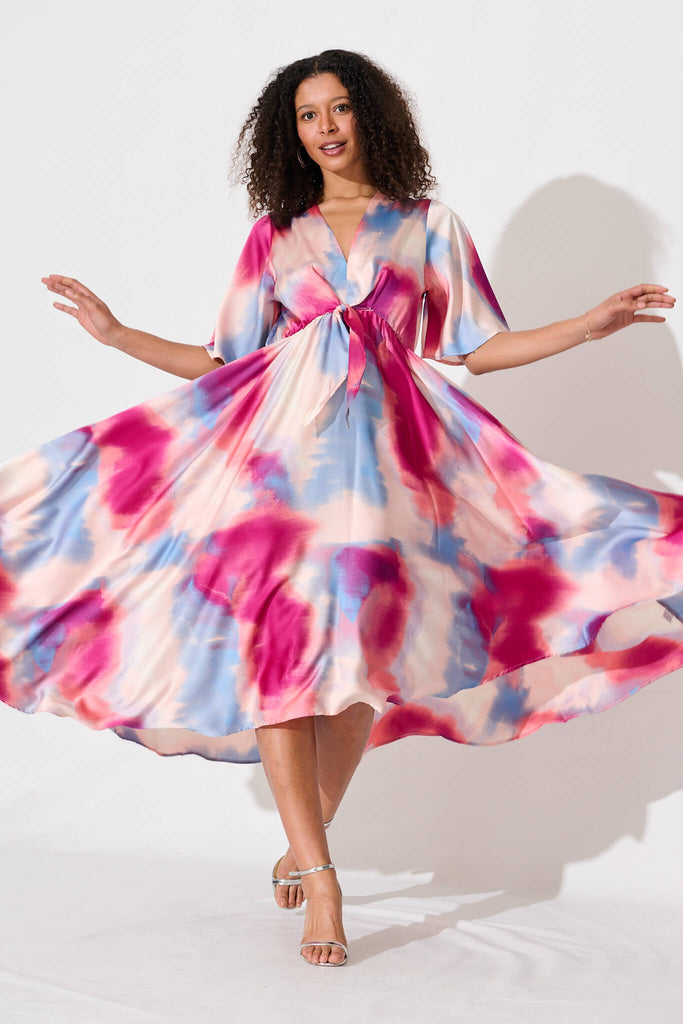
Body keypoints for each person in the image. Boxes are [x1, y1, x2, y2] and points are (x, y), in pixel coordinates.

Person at [1, 49, 682, 968]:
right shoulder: (274, 235)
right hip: (280, 483)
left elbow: (475, 348)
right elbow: (225, 360)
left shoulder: (429, 226)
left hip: (392, 481)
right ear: (290, 135)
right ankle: (322, 879)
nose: (324, 127)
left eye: (339, 108)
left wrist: (585, 327)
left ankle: (307, 832)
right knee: (279, 657)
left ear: (370, 116)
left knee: (365, 664)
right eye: (307, 115)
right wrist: (117, 334)